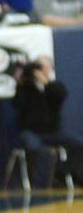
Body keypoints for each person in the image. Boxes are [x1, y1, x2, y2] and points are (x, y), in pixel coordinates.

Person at [13, 58, 83, 186]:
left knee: (79, 144)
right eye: (38, 67)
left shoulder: (54, 86)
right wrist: (20, 83)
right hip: (31, 131)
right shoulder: (26, 88)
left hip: (53, 132)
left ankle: (61, 172)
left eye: (43, 67)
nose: (40, 70)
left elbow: (61, 95)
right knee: (33, 147)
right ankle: (36, 182)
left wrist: (45, 82)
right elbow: (17, 104)